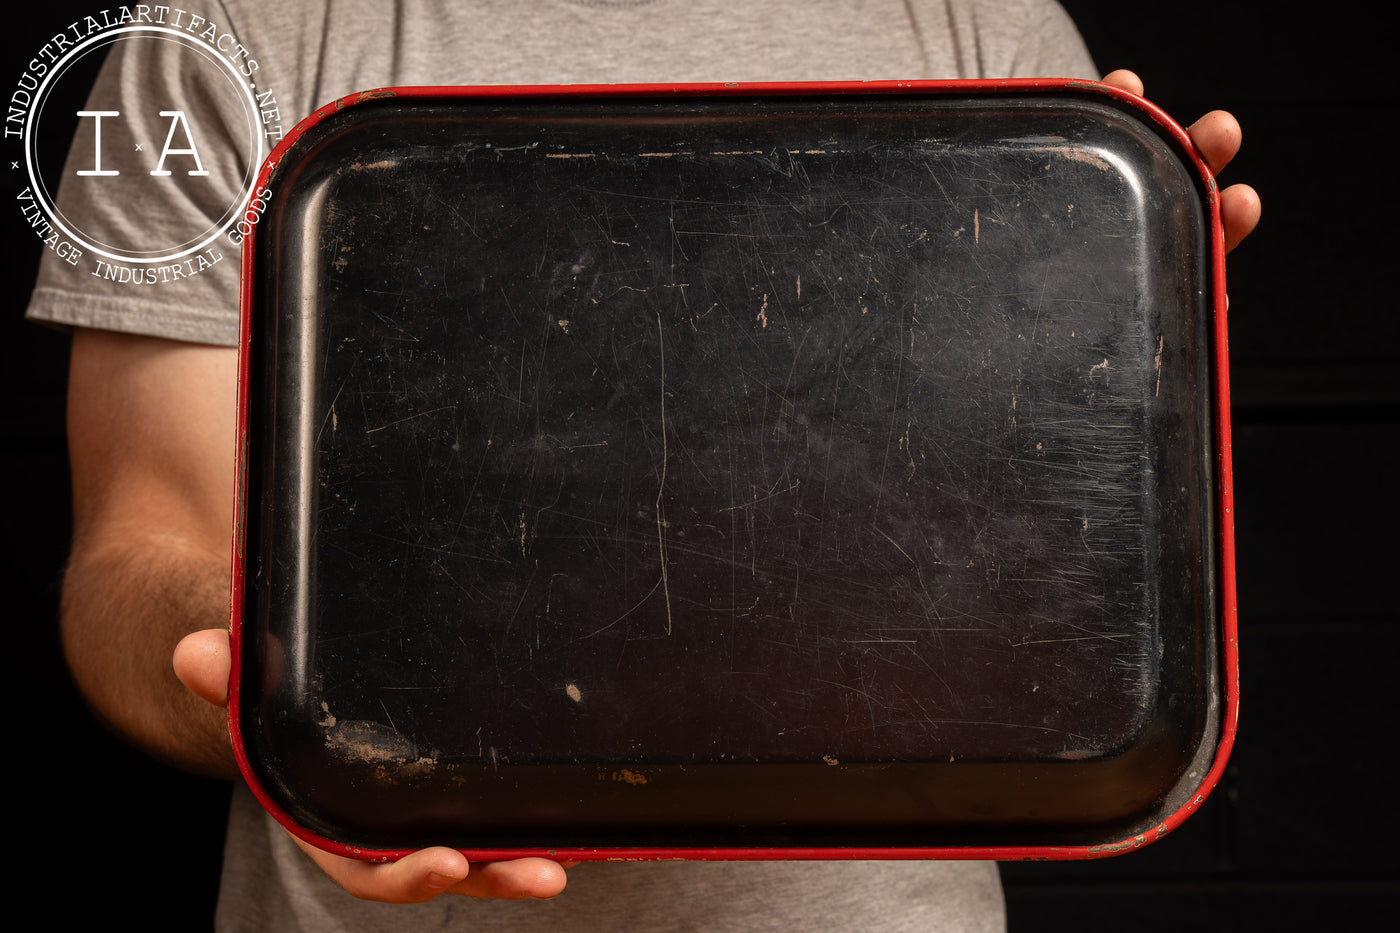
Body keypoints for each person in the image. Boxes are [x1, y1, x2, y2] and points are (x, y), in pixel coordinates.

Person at [27, 1, 1259, 928]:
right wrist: (297, 713)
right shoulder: (209, 34)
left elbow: (1045, 599)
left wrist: (1125, 333)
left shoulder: (984, 20)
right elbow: (134, 559)